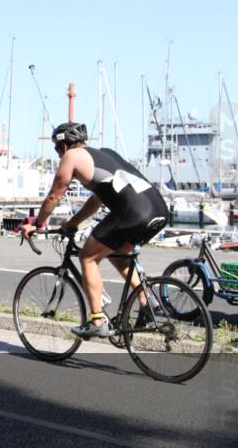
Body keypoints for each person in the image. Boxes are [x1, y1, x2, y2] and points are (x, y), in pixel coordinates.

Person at [21, 122, 169, 339]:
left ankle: (97, 320)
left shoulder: (71, 157)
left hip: (132, 213)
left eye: (56, 148)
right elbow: (97, 200)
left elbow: (54, 196)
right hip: (159, 210)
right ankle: (148, 302)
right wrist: (72, 223)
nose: (58, 153)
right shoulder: (106, 154)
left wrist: (37, 224)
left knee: (87, 257)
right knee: (119, 257)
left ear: (63, 145)